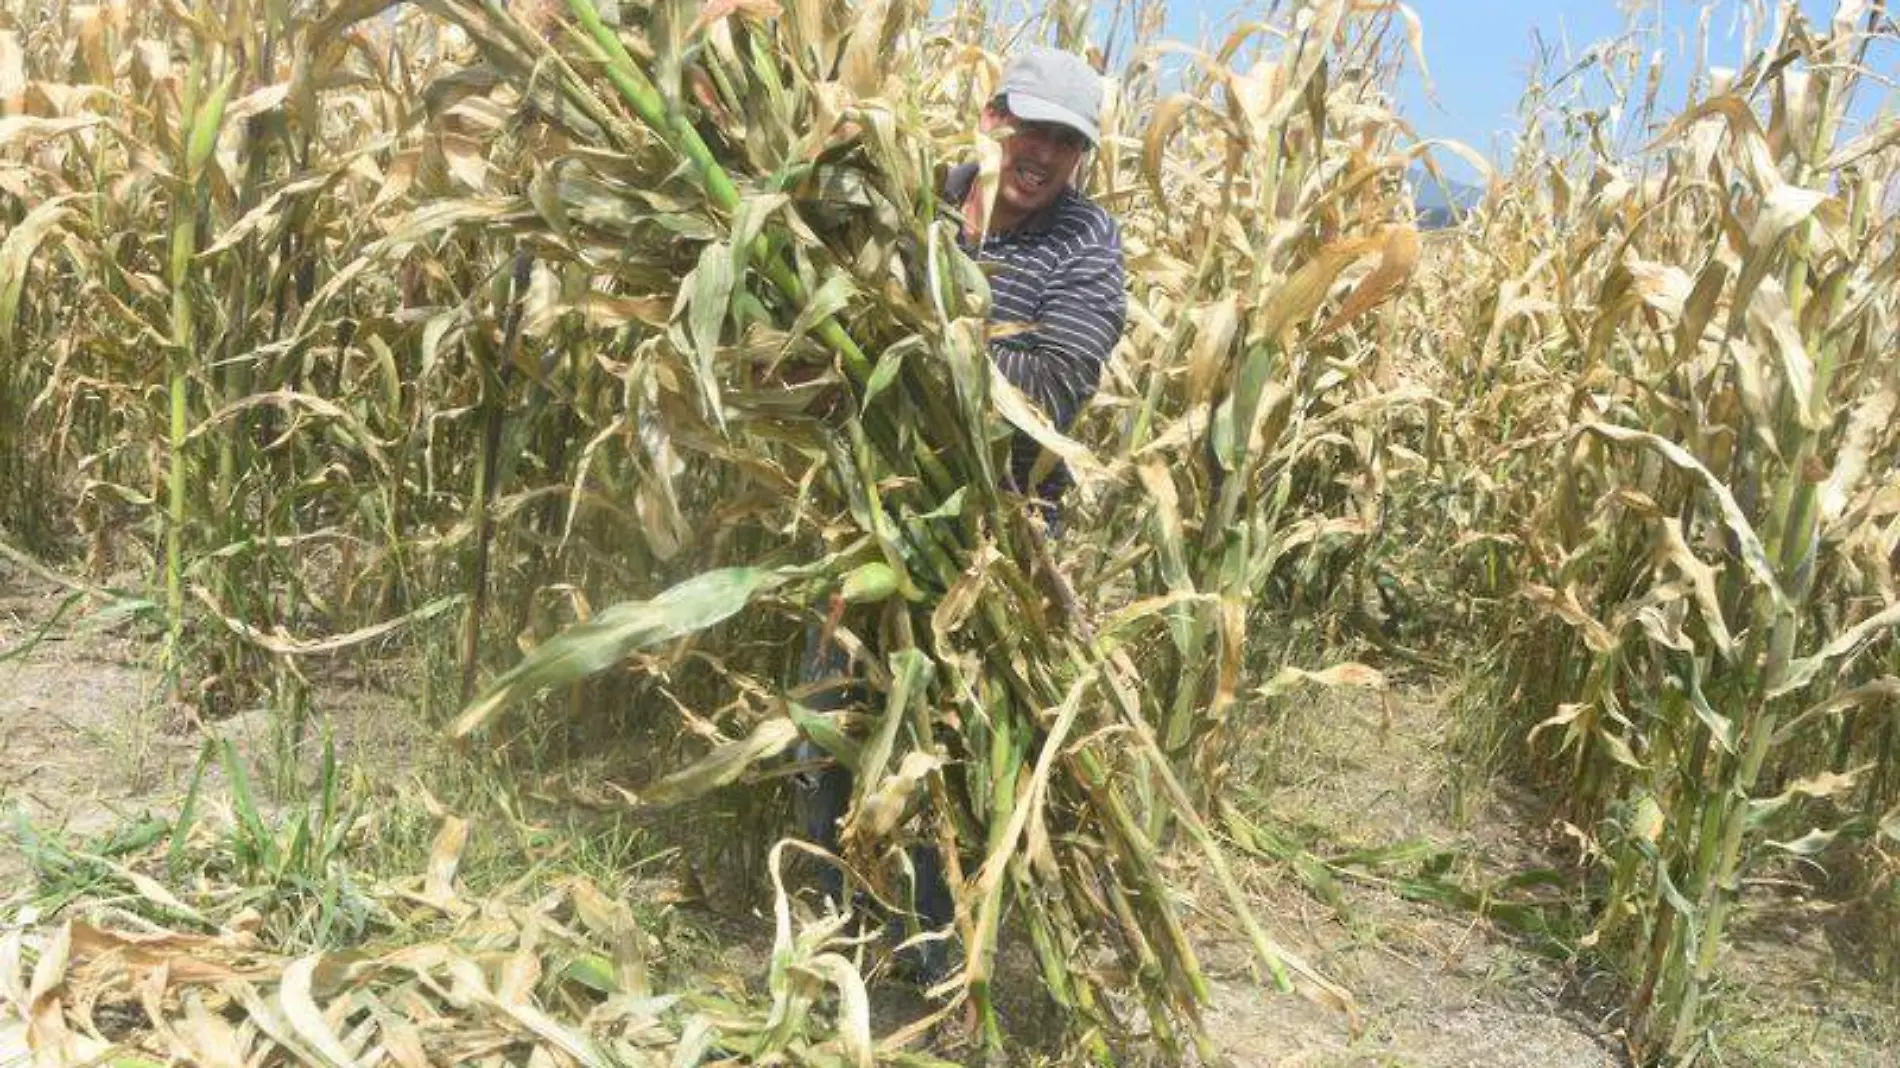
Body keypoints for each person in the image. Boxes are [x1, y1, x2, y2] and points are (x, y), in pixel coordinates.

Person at [792, 45, 1126, 986]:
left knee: (948, 740)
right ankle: (825, 921)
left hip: (997, 531)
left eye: (1067, 142)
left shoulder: (1086, 242)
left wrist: (928, 334)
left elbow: (1056, 383)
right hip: (871, 505)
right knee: (830, 707)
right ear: (992, 117)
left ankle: (935, 953)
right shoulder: (913, 199)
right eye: (1032, 129)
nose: (1044, 155)